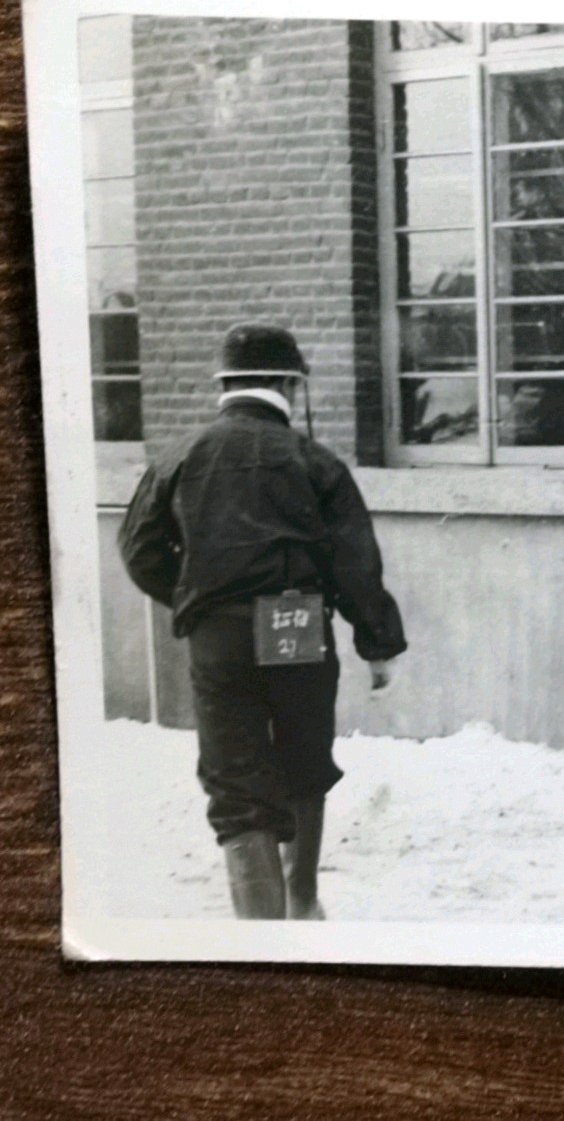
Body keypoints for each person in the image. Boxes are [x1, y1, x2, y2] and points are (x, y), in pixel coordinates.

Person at [118, 324, 405, 920]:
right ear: (287, 384)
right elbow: (354, 560)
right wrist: (378, 644)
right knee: (302, 760)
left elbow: (138, 548)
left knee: (237, 784)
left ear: (226, 384)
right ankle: (302, 903)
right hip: (295, 619)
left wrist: (197, 599)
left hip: (216, 633)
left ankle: (263, 937)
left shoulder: (180, 454)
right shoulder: (313, 459)